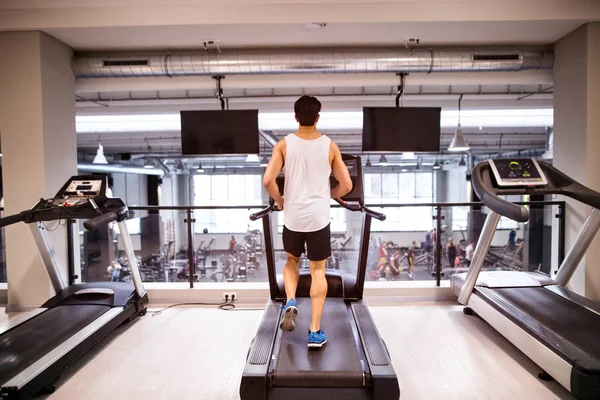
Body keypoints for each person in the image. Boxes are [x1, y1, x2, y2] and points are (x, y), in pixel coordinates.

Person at [262, 95, 352, 349]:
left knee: (292, 261)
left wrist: (280, 200)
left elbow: (268, 179)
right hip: (318, 218)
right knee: (318, 270)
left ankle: (291, 300)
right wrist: (329, 195)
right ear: (318, 117)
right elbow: (346, 184)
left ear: (295, 117)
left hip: (293, 216)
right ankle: (314, 331)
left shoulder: (284, 144)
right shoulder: (329, 146)